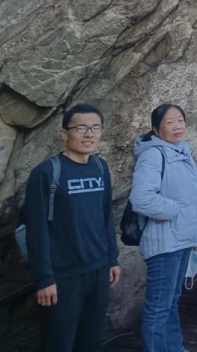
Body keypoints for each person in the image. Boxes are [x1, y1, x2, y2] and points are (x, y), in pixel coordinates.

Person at [23, 104, 121, 352]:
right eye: (81, 128)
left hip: (98, 270)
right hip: (63, 276)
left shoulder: (100, 167)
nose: (89, 134)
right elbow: (36, 230)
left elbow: (105, 217)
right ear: (64, 133)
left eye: (95, 128)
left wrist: (112, 259)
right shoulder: (46, 173)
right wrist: (44, 278)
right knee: (59, 344)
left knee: (90, 342)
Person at [130, 104, 197, 352]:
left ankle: (175, 348)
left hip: (181, 238)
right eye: (170, 122)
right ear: (156, 129)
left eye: (180, 120)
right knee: (159, 306)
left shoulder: (181, 150)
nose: (177, 126)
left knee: (171, 300)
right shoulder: (153, 155)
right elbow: (141, 199)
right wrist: (174, 210)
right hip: (164, 242)